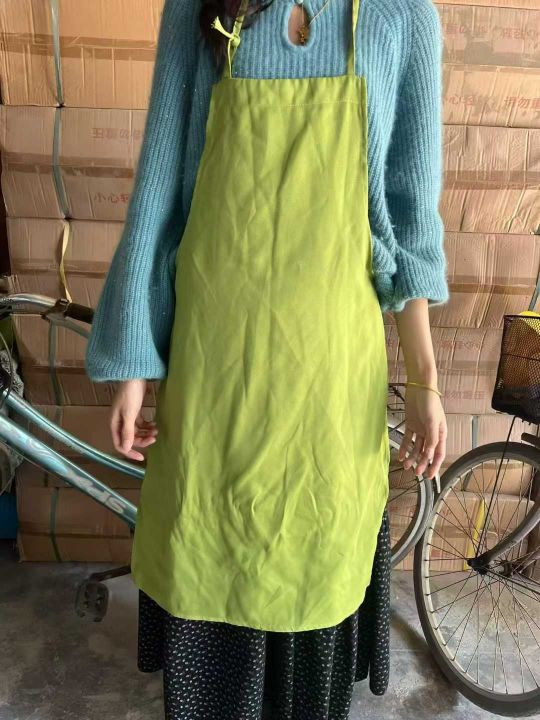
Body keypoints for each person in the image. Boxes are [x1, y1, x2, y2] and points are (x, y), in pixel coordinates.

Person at [85, 0, 449, 717]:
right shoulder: (200, 8)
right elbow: (160, 187)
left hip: (330, 376)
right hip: (215, 368)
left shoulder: (402, 16)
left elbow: (410, 217)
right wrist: (134, 360)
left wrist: (427, 381)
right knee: (210, 557)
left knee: (315, 568)